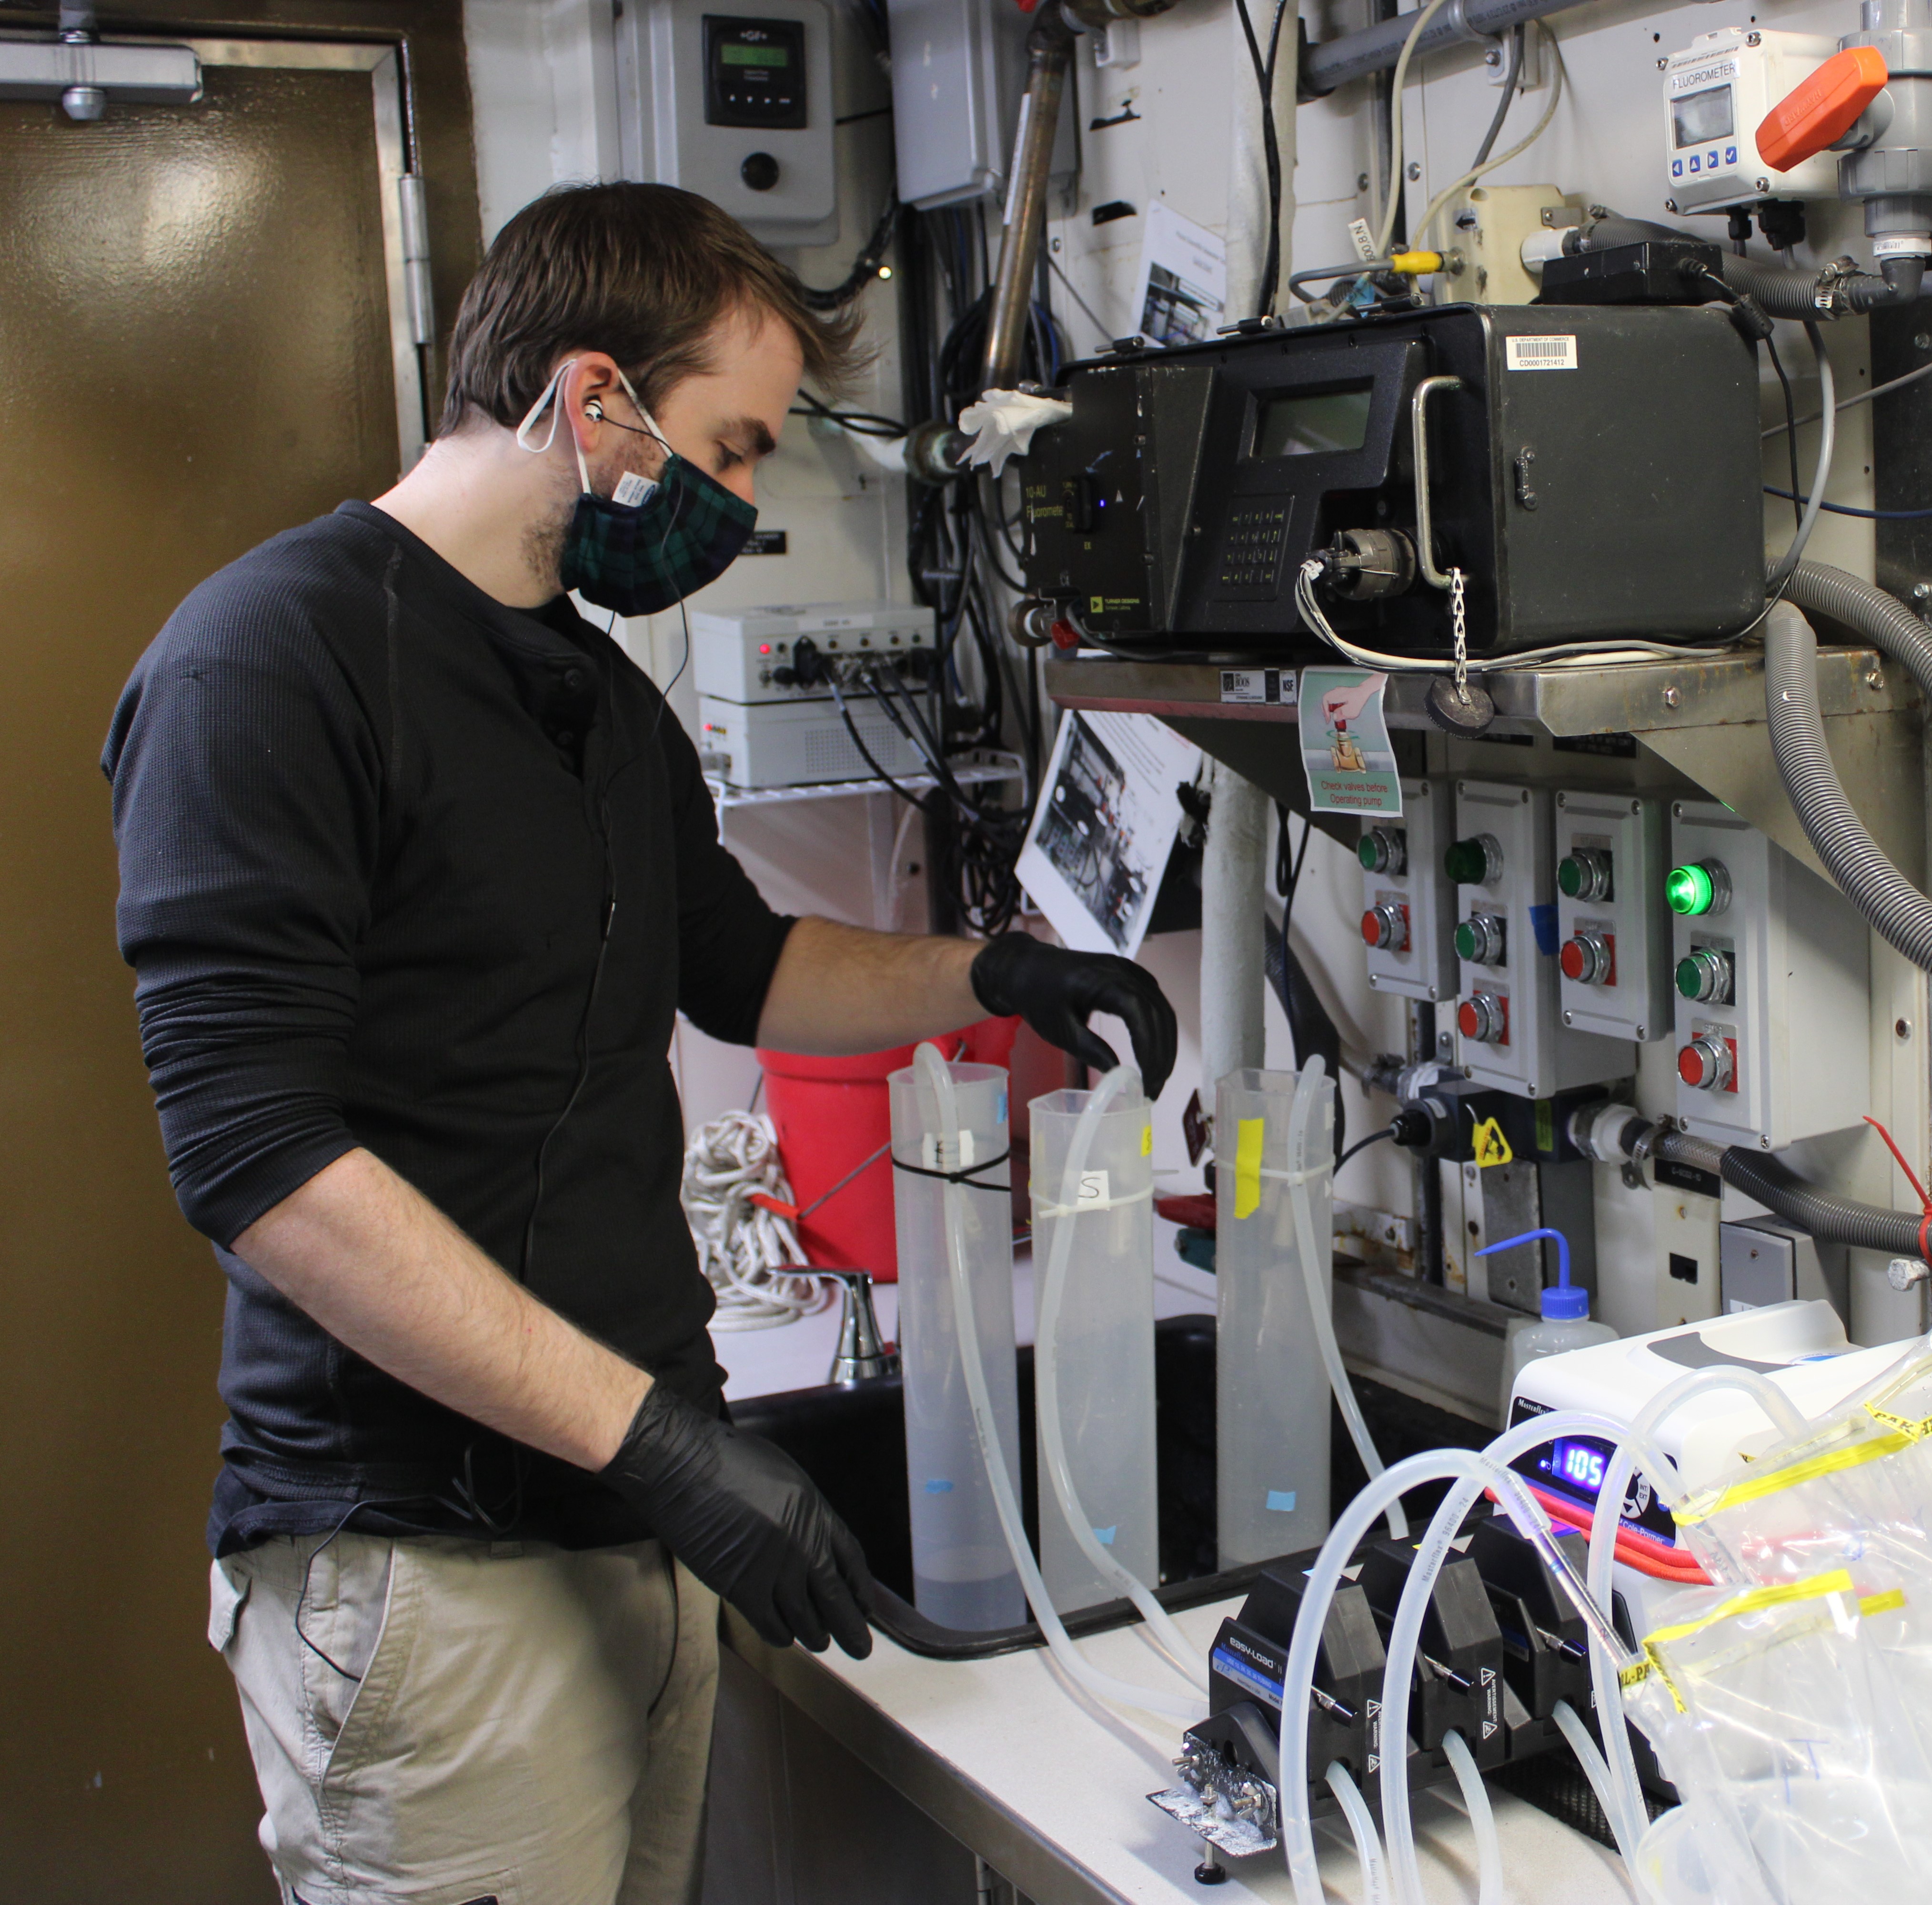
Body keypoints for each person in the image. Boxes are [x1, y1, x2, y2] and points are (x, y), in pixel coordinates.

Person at [102, 181, 1177, 1905]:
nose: (741, 505)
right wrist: (657, 1438)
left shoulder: (589, 692)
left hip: (628, 1525)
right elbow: (258, 1163)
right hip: (432, 1570)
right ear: (594, 396)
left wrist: (999, 974)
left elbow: (739, 967)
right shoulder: (272, 658)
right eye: (731, 446)